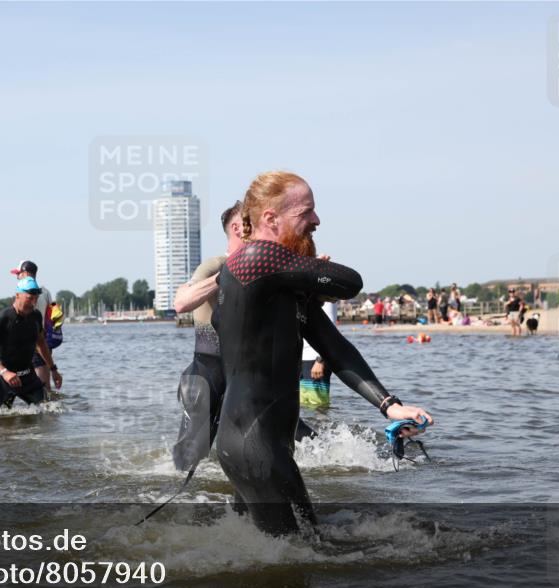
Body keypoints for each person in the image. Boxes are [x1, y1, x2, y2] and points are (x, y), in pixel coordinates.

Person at [215, 171, 433, 535]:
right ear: (271, 218)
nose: (316, 221)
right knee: (293, 561)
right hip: (252, 444)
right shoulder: (256, 258)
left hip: (265, 444)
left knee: (304, 548)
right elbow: (351, 282)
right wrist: (313, 270)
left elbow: (335, 348)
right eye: (307, 212)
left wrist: (388, 404)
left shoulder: (279, 282)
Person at [172, 202, 320, 474]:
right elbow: (181, 302)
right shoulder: (215, 265)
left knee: (305, 440)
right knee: (190, 458)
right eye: (252, 222)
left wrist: (312, 279)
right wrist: (225, 277)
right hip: (208, 372)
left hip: (252, 377)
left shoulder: (267, 270)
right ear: (238, 228)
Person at [0, 277, 62, 414]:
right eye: (29, 298)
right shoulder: (4, 317)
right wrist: (5, 372)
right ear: (17, 295)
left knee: (49, 410)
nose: (33, 302)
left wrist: (53, 369)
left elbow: (41, 344)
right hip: (6, 377)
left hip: (28, 374)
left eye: (36, 298)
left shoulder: (36, 316)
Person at [10, 261, 55, 387]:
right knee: (43, 383)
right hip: (44, 339)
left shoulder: (22, 294)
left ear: (25, 273)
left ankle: (45, 404)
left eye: (18, 274)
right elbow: (55, 314)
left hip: (33, 342)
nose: (17, 277)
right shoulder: (46, 292)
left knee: (41, 385)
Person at [300, 301, 338, 408]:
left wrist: (320, 360)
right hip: (301, 356)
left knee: (317, 406)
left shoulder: (326, 293)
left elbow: (330, 329)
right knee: (304, 406)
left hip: (315, 358)